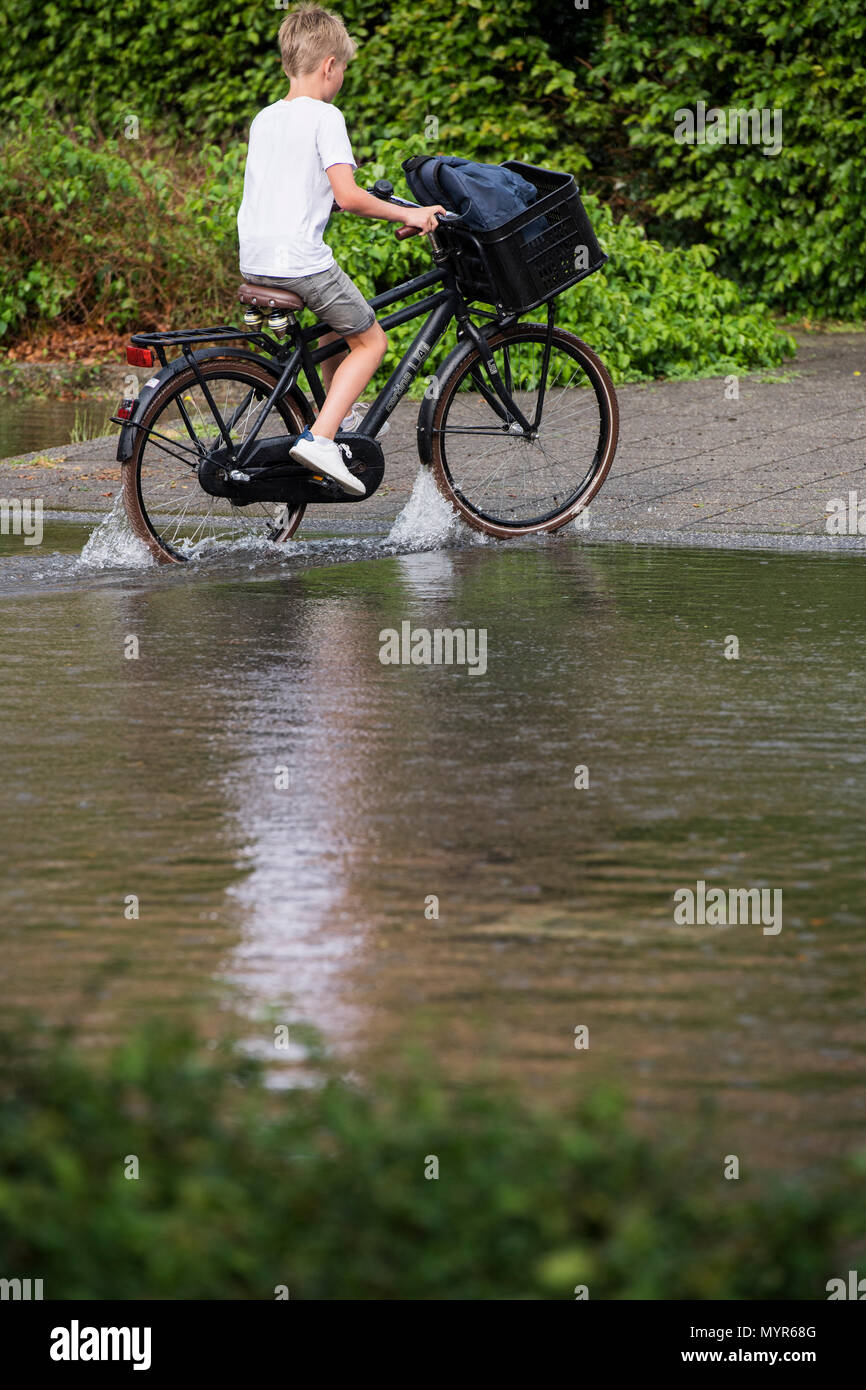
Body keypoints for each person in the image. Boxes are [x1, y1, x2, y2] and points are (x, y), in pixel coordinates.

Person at [237, 4, 445, 496]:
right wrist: (412, 213)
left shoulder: (265, 118)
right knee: (372, 340)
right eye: (344, 70)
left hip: (255, 259)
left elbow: (301, 191)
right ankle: (323, 437)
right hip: (297, 261)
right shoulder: (325, 116)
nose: (342, 80)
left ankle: (339, 408)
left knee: (337, 322)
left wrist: (385, 210)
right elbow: (348, 196)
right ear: (330, 65)